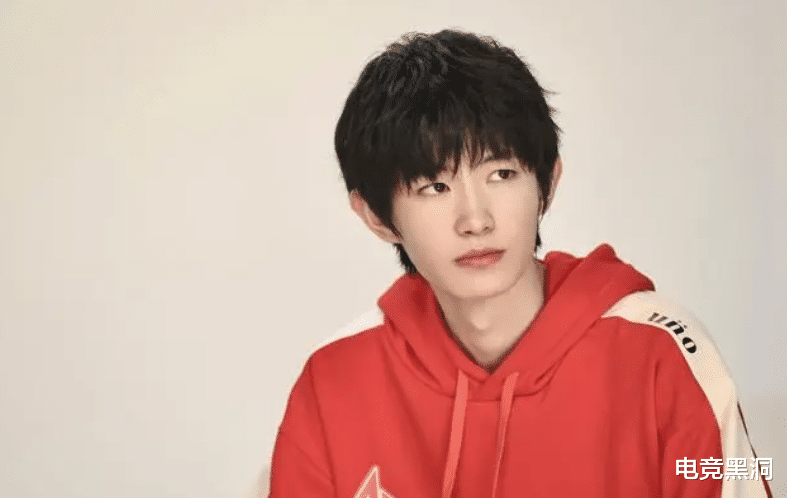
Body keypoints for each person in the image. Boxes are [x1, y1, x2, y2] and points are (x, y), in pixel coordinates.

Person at [266, 29, 772, 497]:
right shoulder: (334, 380)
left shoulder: (663, 348)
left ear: (547, 183)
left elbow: (734, 475)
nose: (476, 220)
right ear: (376, 217)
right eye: (435, 187)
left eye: (502, 174)